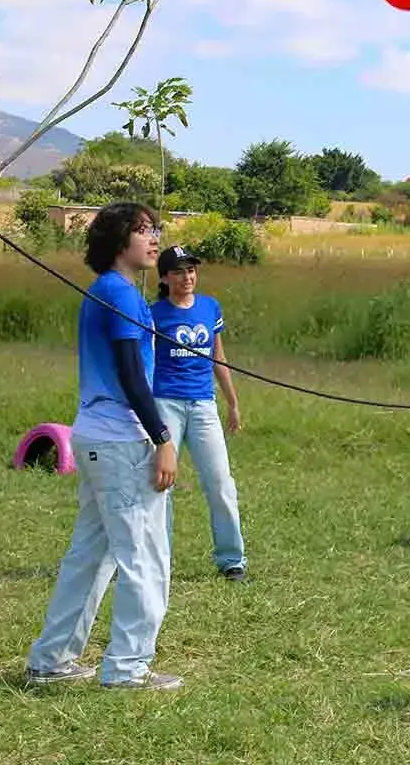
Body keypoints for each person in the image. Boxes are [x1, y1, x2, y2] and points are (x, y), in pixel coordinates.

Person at [25, 202, 183, 691]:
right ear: (118, 240)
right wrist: (163, 438)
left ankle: (51, 660)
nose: (153, 238)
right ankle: (129, 668)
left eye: (155, 229)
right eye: (142, 230)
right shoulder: (121, 295)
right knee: (144, 556)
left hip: (93, 435)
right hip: (121, 441)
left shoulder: (106, 291)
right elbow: (132, 376)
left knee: (91, 556)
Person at [150, 244, 247, 581]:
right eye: (178, 271)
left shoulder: (209, 307)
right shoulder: (154, 313)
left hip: (203, 404)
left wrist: (232, 402)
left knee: (220, 482)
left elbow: (218, 357)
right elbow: (145, 364)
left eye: (191, 270)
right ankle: (158, 560)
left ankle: (232, 559)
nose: (187, 277)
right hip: (165, 404)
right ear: (164, 277)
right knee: (163, 484)